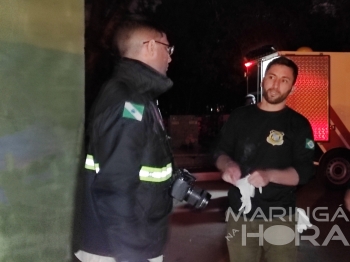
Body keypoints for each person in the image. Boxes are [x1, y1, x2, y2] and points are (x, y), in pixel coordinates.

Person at [75, 15, 175, 262]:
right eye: (167, 48)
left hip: (133, 241)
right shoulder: (128, 101)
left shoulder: (139, 97)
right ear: (150, 46)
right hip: (119, 249)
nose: (170, 57)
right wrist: (131, 254)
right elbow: (115, 186)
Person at [214, 56, 315, 262]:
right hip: (239, 216)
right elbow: (219, 151)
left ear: (292, 89)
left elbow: (304, 172)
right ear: (263, 80)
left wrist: (269, 175)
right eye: (271, 76)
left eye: (284, 80)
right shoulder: (239, 116)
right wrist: (228, 165)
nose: (276, 84)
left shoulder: (299, 124)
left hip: (280, 217)